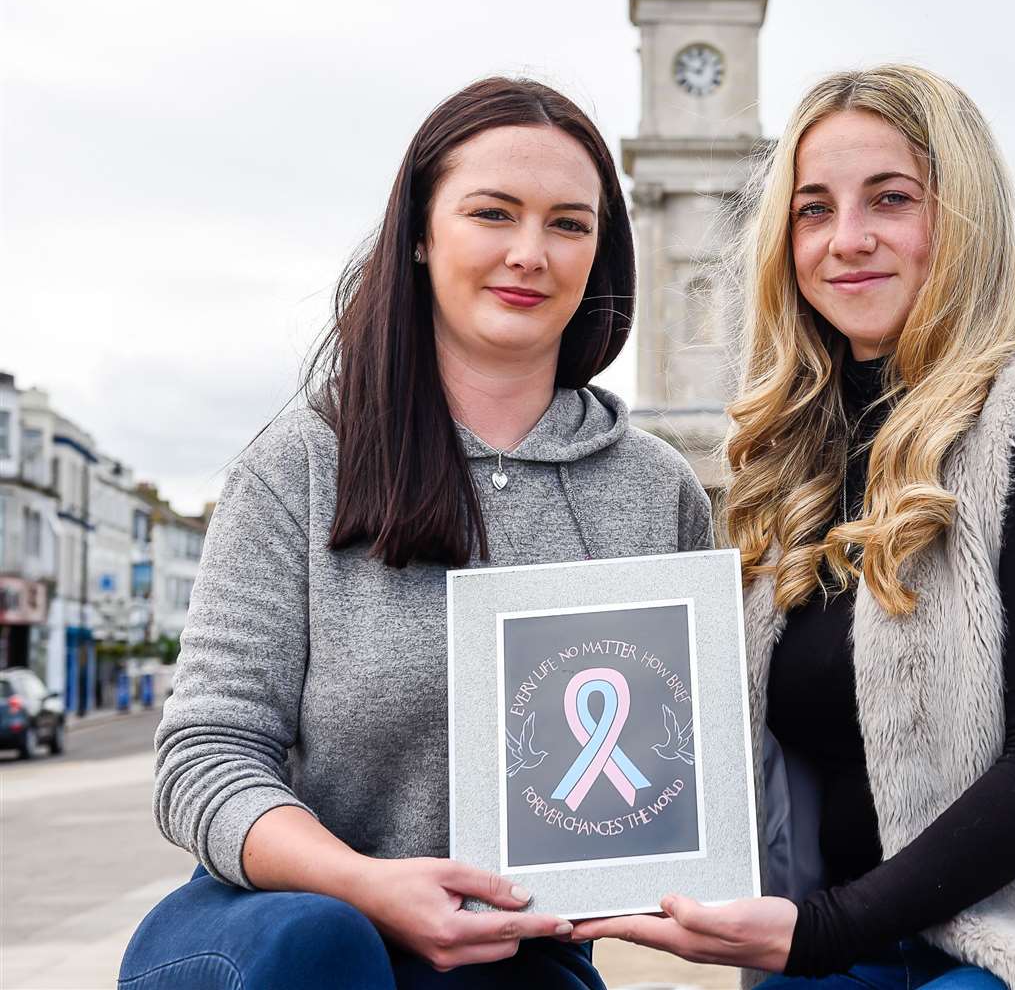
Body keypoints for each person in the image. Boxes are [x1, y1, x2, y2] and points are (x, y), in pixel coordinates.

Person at [573, 65, 1015, 989]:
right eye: (812, 209)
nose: (846, 240)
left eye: (890, 199)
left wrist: (822, 933)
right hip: (847, 941)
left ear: (963, 217)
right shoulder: (790, 469)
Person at [119, 77, 713, 990]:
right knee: (323, 944)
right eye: (492, 213)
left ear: (601, 255)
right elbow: (206, 755)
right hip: (282, 935)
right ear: (421, 238)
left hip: (509, 951)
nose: (529, 253)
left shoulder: (655, 492)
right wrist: (365, 883)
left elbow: (684, 773)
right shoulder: (300, 465)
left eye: (568, 224)